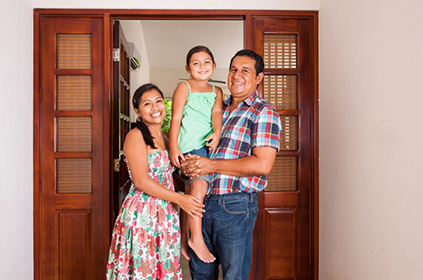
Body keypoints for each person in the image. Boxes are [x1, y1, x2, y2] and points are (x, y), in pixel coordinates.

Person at [181, 49, 282, 280]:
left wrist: (210, 166)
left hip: (234, 206)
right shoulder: (216, 107)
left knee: (233, 276)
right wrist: (189, 166)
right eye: (234, 69)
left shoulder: (263, 111)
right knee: (200, 275)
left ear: (259, 78)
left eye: (245, 71)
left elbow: (263, 164)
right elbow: (196, 151)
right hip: (199, 204)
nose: (237, 75)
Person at [106, 83, 205, 280]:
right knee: (144, 271)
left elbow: (168, 177)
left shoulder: (167, 138)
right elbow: (141, 180)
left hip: (166, 214)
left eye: (159, 101)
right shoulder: (135, 136)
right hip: (143, 215)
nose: (155, 108)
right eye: (147, 104)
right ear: (138, 111)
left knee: (162, 268)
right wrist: (180, 198)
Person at [169, 45, 223, 264]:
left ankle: (183, 240)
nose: (202, 67)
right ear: (187, 68)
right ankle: (196, 239)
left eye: (206, 62)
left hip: (206, 147)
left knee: (191, 193)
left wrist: (218, 132)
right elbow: (175, 118)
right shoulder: (184, 87)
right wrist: (173, 147)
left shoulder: (216, 92)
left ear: (214, 66)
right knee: (199, 189)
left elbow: (217, 113)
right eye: (196, 63)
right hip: (190, 147)